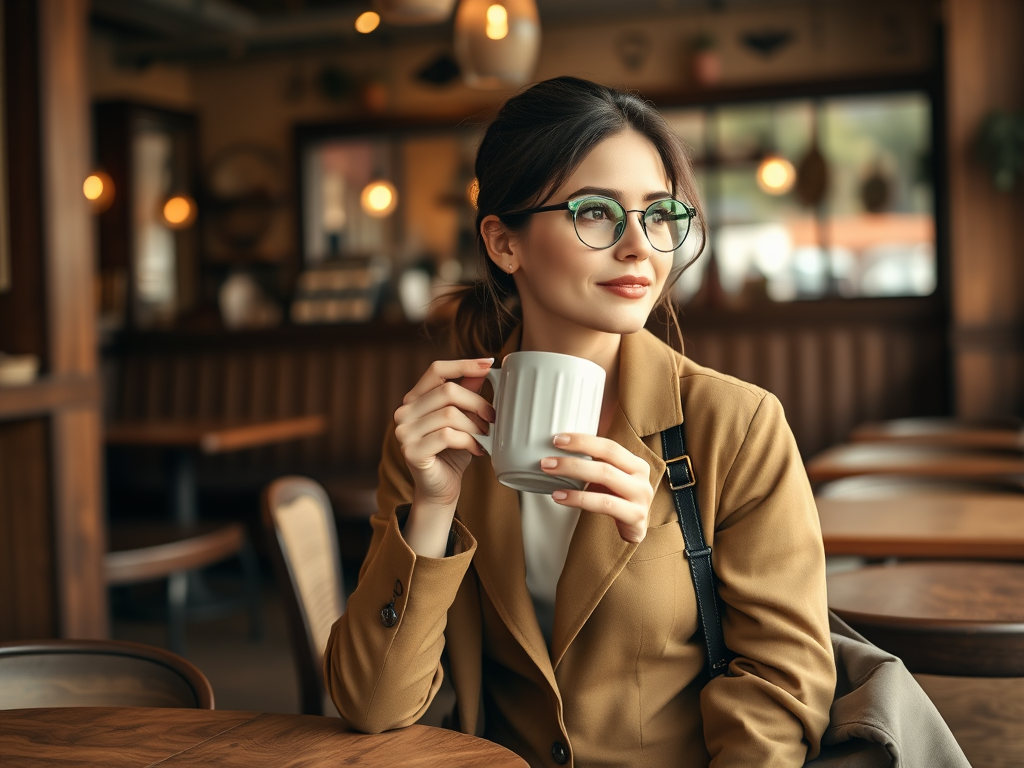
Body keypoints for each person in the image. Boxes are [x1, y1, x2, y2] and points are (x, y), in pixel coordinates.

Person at [325, 76, 835, 767]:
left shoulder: (735, 426)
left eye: (659, 215)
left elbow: (780, 690)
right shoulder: (439, 435)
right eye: (595, 212)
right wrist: (432, 507)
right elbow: (372, 705)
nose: (639, 247)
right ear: (505, 244)